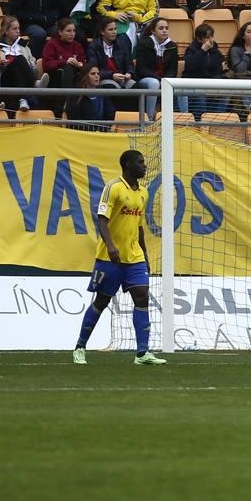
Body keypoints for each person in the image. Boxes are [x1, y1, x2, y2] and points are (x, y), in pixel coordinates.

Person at [71, 149, 166, 366]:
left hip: (134, 257)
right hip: (109, 258)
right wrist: (111, 246)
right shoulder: (113, 188)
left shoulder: (143, 192)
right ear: (127, 165)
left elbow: (139, 227)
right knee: (102, 302)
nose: (144, 166)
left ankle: (142, 353)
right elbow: (102, 219)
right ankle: (80, 347)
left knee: (141, 296)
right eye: (140, 162)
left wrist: (145, 256)